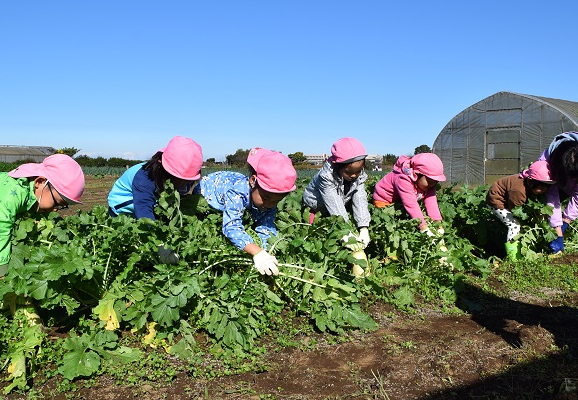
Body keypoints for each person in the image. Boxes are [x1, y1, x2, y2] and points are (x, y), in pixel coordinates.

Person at [193, 148, 297, 276]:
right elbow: (231, 226)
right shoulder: (237, 192)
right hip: (207, 196)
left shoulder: (269, 199)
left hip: (235, 197)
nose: (269, 204)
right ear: (253, 181)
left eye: (275, 201)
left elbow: (266, 226)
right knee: (207, 223)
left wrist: (267, 251)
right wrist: (256, 252)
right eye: (266, 198)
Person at [0, 154, 85, 276]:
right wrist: (2, 270)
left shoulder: (30, 190)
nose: (55, 210)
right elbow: (2, 228)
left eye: (62, 207)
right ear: (39, 182)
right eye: (57, 203)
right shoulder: (12, 195)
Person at [108, 136, 203, 220]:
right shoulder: (144, 178)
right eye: (178, 179)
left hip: (152, 203)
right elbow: (143, 208)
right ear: (160, 163)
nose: (183, 184)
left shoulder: (186, 179)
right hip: (124, 208)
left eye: (186, 180)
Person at [302, 137, 371, 248]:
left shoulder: (359, 176)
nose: (353, 175)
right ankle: (312, 219)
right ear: (336, 165)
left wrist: (363, 227)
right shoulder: (326, 176)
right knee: (318, 227)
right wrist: (345, 230)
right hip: (316, 203)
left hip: (340, 199)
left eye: (358, 171)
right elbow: (333, 202)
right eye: (348, 172)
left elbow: (360, 198)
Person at [486, 160, 556, 260]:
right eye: (541, 189)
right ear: (531, 182)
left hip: (508, 198)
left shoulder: (528, 183)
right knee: (515, 225)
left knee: (519, 224)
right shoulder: (518, 191)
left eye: (546, 189)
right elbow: (516, 210)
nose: (543, 192)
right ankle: (513, 257)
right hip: (496, 201)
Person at [372, 153, 446, 235]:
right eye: (429, 181)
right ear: (417, 174)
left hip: (399, 201)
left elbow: (431, 202)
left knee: (406, 218)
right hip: (384, 200)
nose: (432, 185)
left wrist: (438, 223)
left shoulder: (430, 184)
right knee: (388, 225)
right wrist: (423, 227)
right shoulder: (403, 179)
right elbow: (411, 204)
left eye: (435, 182)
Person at [537, 131, 578, 254]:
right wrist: (558, 232)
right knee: (547, 207)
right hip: (556, 184)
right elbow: (552, 197)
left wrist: (566, 221)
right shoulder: (546, 164)